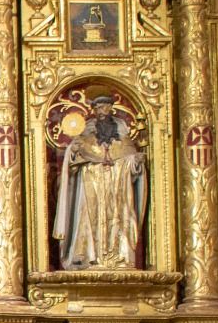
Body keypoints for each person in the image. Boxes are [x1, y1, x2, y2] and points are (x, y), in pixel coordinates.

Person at [52, 95, 148, 270]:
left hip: (117, 186)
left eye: (105, 108)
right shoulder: (85, 138)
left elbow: (131, 163)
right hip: (92, 184)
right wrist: (73, 153)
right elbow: (72, 166)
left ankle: (121, 256)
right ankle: (90, 256)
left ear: (111, 109)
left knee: (120, 216)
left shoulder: (123, 139)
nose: (101, 112)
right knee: (90, 218)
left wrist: (134, 162)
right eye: (98, 109)